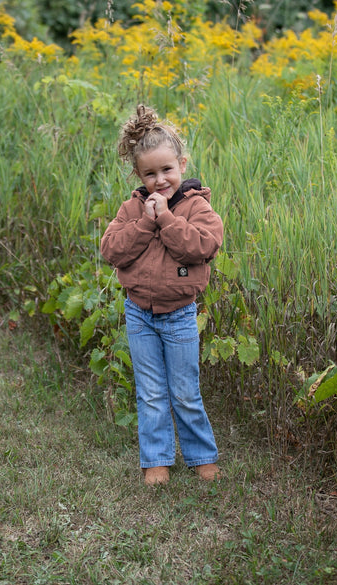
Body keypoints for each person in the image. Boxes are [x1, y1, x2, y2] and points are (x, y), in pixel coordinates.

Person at [100, 105, 223, 486]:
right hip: (139, 314)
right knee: (151, 392)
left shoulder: (198, 207)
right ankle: (156, 460)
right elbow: (112, 250)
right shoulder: (132, 209)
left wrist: (166, 219)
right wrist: (144, 222)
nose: (160, 180)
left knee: (185, 391)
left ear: (182, 164)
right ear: (138, 175)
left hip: (180, 314)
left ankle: (201, 456)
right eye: (150, 173)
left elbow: (202, 247)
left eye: (167, 169)